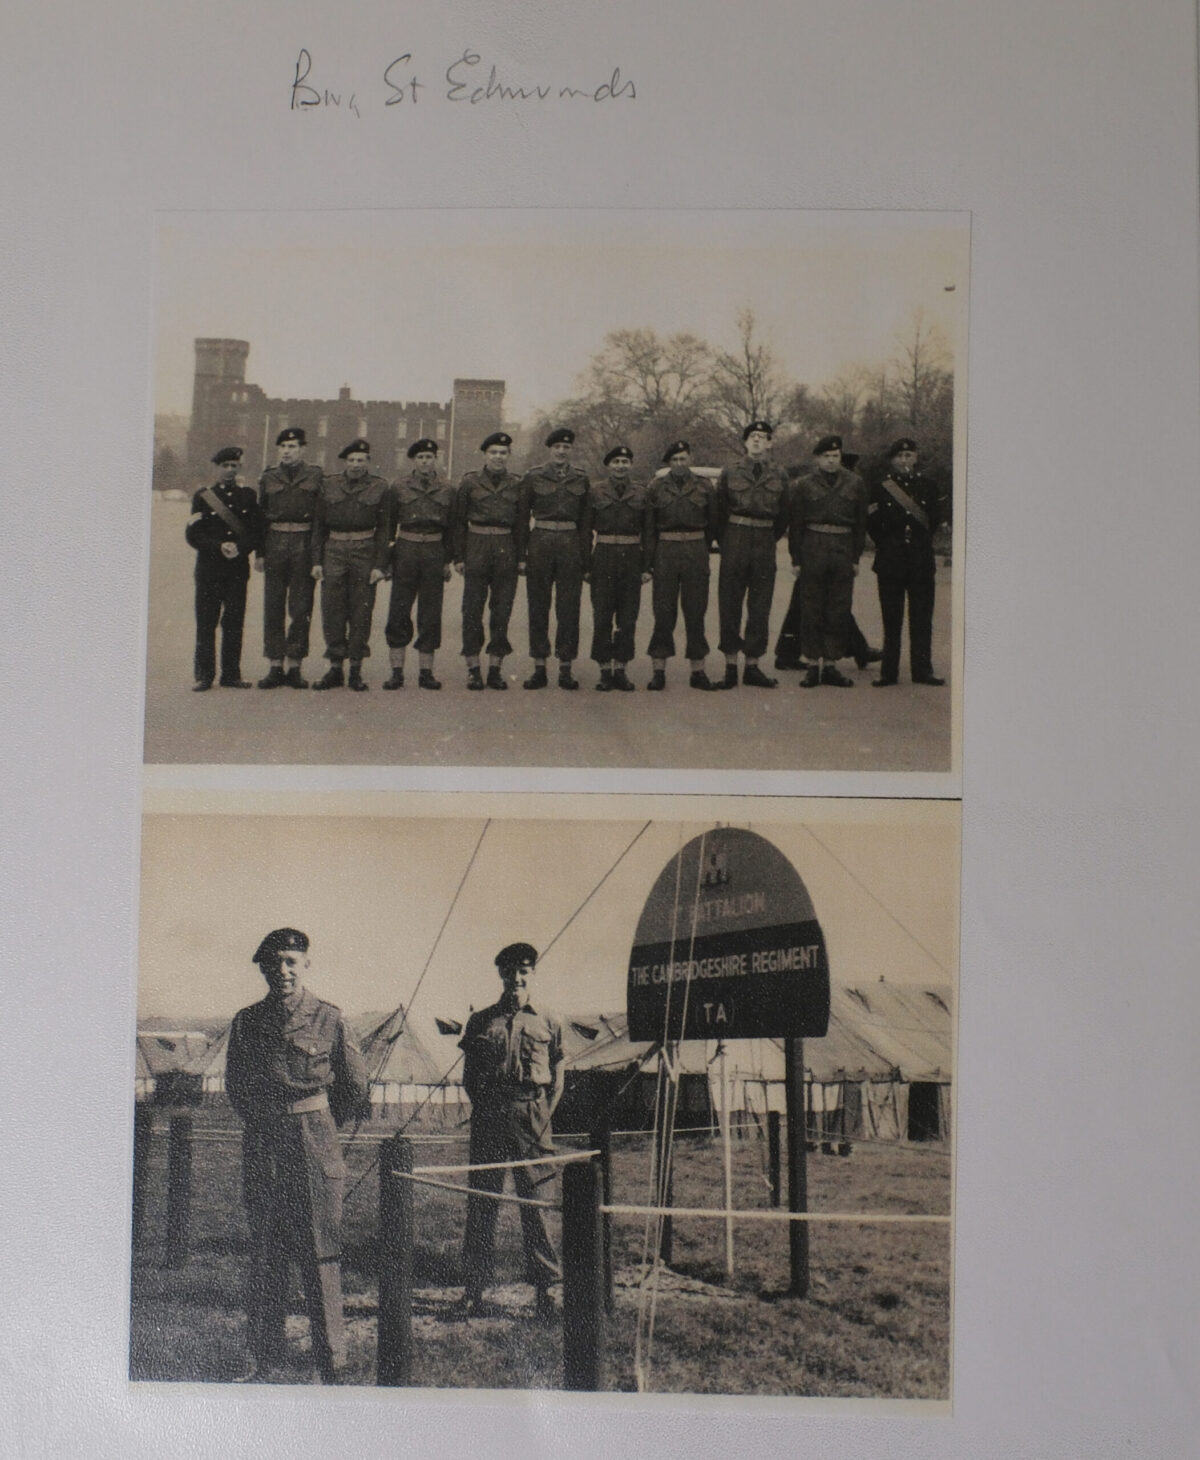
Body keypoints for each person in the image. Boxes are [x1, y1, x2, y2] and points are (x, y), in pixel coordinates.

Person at [225, 928, 369, 1383]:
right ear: (263, 969)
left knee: (320, 1250)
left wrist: (319, 1126)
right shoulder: (247, 1022)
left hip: (313, 1143)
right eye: (274, 963)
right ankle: (263, 1354)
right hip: (265, 1143)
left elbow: (354, 1085)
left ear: (306, 964)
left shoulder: (329, 1018)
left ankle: (332, 1358)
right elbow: (237, 1086)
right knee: (266, 1250)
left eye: (291, 961)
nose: (283, 971)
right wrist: (269, 1120)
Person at [459, 943, 564, 1319]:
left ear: (532, 974)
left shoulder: (548, 1019)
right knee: (482, 1202)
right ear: (500, 974)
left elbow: (558, 1078)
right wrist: (488, 1107)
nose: (516, 978)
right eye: (509, 972)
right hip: (490, 1116)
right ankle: (474, 1289)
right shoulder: (481, 1021)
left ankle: (546, 1290)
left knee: (536, 1205)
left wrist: (540, 1116)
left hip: (531, 1116)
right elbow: (469, 1077)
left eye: (523, 971)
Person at [787, 434, 869, 687]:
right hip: (813, 547)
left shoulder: (855, 483)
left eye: (836, 456)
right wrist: (796, 558)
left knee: (838, 608)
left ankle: (831, 665)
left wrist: (855, 558)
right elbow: (796, 524)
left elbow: (861, 524)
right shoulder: (803, 485)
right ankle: (813, 665)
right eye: (827, 456)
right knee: (811, 608)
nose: (832, 461)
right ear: (817, 459)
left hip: (843, 548)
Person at [867, 437, 949, 686]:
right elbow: (872, 524)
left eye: (909, 456)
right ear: (892, 460)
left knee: (922, 618)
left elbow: (934, 519)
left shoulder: (928, 486)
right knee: (891, 619)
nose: (904, 460)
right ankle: (888, 672)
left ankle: (923, 671)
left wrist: (918, 540)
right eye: (900, 456)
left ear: (915, 458)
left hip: (920, 560)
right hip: (890, 559)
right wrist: (889, 543)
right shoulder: (880, 488)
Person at [310, 439, 389, 692]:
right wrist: (316, 561)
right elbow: (318, 526)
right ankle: (335, 668)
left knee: (361, 610)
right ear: (345, 462)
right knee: (332, 609)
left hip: (365, 550)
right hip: (334, 549)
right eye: (352, 460)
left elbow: (385, 529)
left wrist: (380, 565)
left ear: (368, 462)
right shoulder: (329, 484)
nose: (356, 465)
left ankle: (355, 669)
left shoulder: (379, 486)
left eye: (361, 460)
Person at [715, 421, 789, 689]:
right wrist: (728, 541)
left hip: (765, 540)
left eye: (762, 437)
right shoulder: (730, 471)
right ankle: (730, 666)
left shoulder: (780, 474)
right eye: (753, 436)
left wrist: (768, 536)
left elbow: (784, 513)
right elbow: (719, 510)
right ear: (746, 442)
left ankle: (753, 666)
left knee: (760, 605)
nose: (757, 440)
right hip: (735, 537)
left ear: (770, 443)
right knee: (730, 603)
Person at [645, 441, 722, 690]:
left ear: (690, 459)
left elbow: (713, 522)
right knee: (663, 613)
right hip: (665, 551)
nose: (679, 463)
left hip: (695, 550)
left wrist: (700, 545)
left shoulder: (704, 486)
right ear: (669, 463)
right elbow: (649, 527)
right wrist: (650, 561)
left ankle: (698, 671)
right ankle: (659, 671)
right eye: (675, 460)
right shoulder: (656, 487)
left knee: (696, 611)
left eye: (683, 458)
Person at [185, 446, 263, 691]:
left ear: (239, 468)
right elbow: (193, 534)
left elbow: (256, 531)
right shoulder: (203, 497)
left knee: (234, 623)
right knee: (206, 623)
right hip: (209, 570)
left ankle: (231, 674)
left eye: (233, 466)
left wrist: (241, 547)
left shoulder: (248, 496)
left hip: (236, 570)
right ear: (217, 468)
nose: (229, 470)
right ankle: (204, 676)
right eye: (225, 466)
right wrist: (218, 546)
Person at [518, 427, 590, 690]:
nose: (561, 451)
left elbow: (586, 523)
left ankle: (565, 668)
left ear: (571, 450)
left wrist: (585, 559)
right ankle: (539, 667)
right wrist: (522, 555)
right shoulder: (534, 476)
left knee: (569, 608)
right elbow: (521, 518)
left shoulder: (581, 478)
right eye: (557, 447)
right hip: (541, 542)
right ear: (550, 449)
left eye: (566, 447)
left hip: (570, 544)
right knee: (538, 606)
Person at [451, 432, 524, 691]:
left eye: (503, 453)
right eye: (493, 452)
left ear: (508, 456)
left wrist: (521, 557)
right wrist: (459, 556)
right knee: (472, 610)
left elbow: (521, 524)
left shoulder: (517, 483)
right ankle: (473, 669)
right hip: (477, 544)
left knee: (502, 610)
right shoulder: (470, 482)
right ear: (485, 455)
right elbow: (458, 521)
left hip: (505, 546)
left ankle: (495, 669)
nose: (498, 457)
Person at [381, 438, 454, 690]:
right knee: (399, 610)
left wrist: (447, 560)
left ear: (436, 459)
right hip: (406, 550)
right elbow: (388, 526)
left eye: (429, 457)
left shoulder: (447, 488)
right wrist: (387, 560)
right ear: (414, 460)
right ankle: (396, 672)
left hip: (434, 550)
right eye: (420, 457)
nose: (425, 462)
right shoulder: (399, 486)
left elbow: (452, 528)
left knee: (430, 613)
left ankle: (426, 672)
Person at [257, 427, 323, 689]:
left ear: (303, 449)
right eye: (283, 446)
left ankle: (295, 665)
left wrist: (317, 557)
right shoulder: (269, 476)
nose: (286, 451)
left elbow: (320, 520)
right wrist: (260, 553)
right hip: (275, 543)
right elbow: (261, 517)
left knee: (301, 607)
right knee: (273, 606)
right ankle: (275, 665)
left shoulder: (316, 475)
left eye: (292, 446)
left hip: (303, 544)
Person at [584, 444, 651, 691]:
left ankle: (621, 669)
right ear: (608, 466)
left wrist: (647, 567)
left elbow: (649, 532)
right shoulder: (595, 492)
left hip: (631, 557)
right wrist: (586, 565)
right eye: (616, 462)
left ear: (630, 465)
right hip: (603, 556)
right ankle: (604, 670)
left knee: (628, 617)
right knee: (602, 616)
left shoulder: (641, 493)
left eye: (625, 462)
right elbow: (585, 530)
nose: (620, 466)